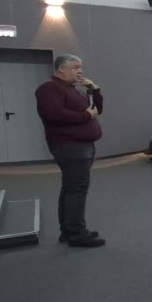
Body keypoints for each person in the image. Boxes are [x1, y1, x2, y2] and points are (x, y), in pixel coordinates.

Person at [34, 54, 105, 248]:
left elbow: (97, 110)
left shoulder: (73, 90)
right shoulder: (49, 89)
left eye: (80, 67)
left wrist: (94, 89)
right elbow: (53, 115)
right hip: (70, 146)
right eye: (74, 67)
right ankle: (77, 233)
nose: (80, 71)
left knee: (70, 188)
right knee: (77, 189)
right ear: (60, 70)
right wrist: (84, 116)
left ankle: (68, 230)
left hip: (82, 146)